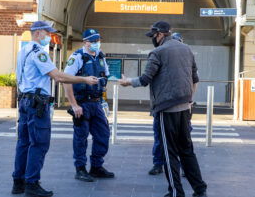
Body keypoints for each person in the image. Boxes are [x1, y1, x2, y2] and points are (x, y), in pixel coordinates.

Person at [119, 21, 207, 197]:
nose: (152, 39)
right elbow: (195, 79)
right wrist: (189, 101)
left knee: (169, 153)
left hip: (166, 110)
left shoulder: (157, 52)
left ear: (159, 34)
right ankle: (200, 190)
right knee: (187, 150)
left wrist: (128, 82)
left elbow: (145, 79)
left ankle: (176, 193)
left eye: (153, 36)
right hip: (185, 109)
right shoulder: (186, 49)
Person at [12, 21, 98, 197]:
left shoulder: (23, 51)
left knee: (24, 143)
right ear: (38, 33)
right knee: (39, 143)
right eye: (47, 33)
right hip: (37, 104)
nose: (50, 37)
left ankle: (18, 182)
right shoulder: (38, 53)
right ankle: (32, 183)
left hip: (25, 101)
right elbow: (57, 76)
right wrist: (84, 80)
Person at [63, 28, 114, 182]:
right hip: (82, 103)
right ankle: (80, 169)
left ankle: (96, 167)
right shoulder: (78, 57)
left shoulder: (100, 56)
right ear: (85, 42)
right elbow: (66, 80)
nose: (96, 43)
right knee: (81, 138)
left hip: (96, 103)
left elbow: (105, 77)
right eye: (92, 41)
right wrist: (74, 105)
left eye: (97, 40)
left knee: (103, 135)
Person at [149, 32, 185, 176]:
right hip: (162, 107)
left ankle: (182, 166)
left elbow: (194, 81)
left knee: (182, 139)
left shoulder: (184, 60)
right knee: (159, 137)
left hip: (181, 107)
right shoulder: (160, 57)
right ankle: (158, 164)